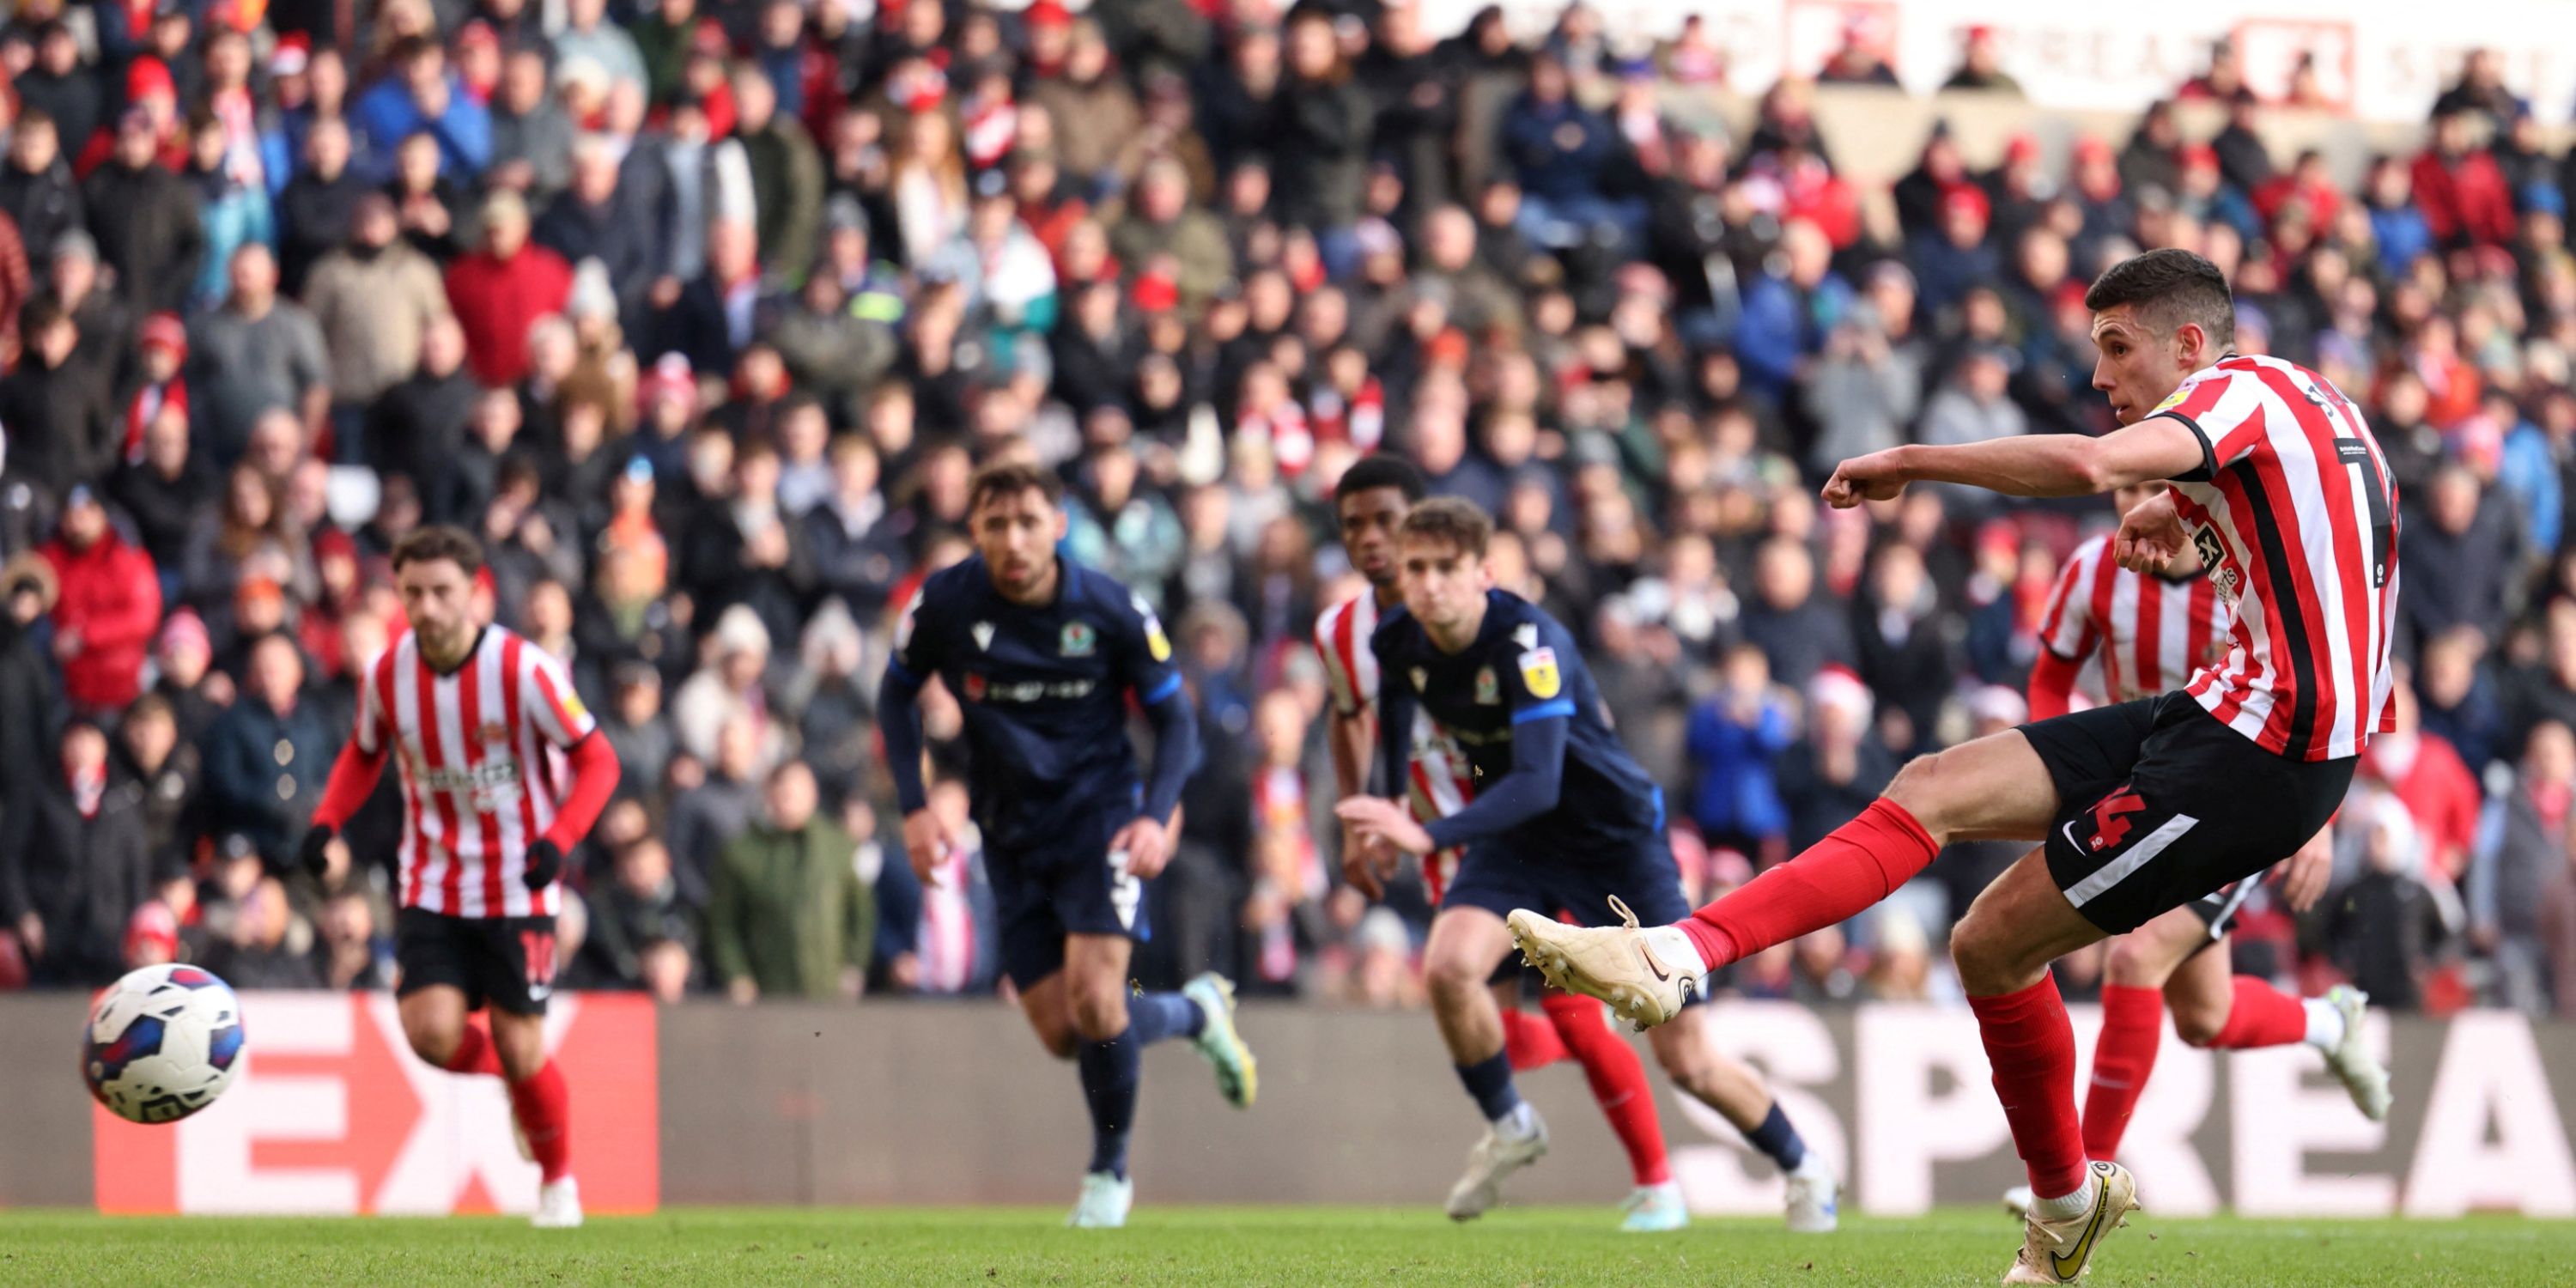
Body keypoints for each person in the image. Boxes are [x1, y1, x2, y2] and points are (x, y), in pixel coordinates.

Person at [1511, 249, 2399, 1284]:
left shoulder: (2234, 394)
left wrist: (1912, 461)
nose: (2104, 379)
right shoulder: (2310, 397)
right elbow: (2338, 544)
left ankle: (2067, 1204)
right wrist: (2186, 516)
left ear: (2190, 344)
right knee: (1932, 786)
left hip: (2259, 756)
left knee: (1990, 946)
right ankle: (1682, 953)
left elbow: (2083, 468)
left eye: (2118, 349)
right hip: (2221, 714)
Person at [1334, 496, 1839, 1233]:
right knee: (1446, 969)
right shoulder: (1396, 641)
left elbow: (1538, 779)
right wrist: (1382, 813)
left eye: (1447, 568)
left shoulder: (1530, 642)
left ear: (1485, 572)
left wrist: (1427, 833)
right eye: (1416, 569)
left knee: (1687, 1059)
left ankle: (1803, 1165)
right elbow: (1395, 733)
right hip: (1519, 842)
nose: (1430, 583)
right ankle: (1510, 1124)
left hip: (1614, 842)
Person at [876, 460, 1254, 1228]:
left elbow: (1175, 720)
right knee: (1062, 1031)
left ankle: (1107, 1176)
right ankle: (1194, 1015)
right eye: (994, 525)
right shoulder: (946, 602)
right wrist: (914, 808)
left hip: (1100, 818)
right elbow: (895, 693)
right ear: (974, 531)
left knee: (1097, 996)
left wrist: (1155, 812)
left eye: (1027, 522)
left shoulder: (1109, 607)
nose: (1012, 541)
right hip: (1009, 829)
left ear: (1058, 525)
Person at [1315, 456, 1687, 1231]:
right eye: (1355, 525)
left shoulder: (1506, 624)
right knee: (1488, 993)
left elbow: (1558, 732)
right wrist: (1367, 821)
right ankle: (1528, 1126)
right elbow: (1354, 719)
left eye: (1390, 521)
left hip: (1506, 822)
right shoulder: (1345, 631)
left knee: (1561, 1008)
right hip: (1446, 833)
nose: (1373, 539)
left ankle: (1655, 1177)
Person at [2004, 483, 2389, 1213]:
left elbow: (2328, 686)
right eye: (2126, 487)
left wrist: (2322, 819)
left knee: (2136, 956)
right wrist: (2060, 779)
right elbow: (2050, 682)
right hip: (2138, 794)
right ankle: (2329, 1021)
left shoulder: (2250, 575)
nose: (2140, 502)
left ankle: (2079, 1180)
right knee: (2203, 1017)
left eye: (2158, 485)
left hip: (2239, 795)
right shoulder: (2091, 570)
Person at [296, 526, 621, 1229]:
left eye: (443, 591)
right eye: (412, 592)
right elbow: (362, 755)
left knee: (521, 1041)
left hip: (518, 883)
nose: (428, 607)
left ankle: (558, 1182)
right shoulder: (387, 675)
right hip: (432, 881)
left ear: (475, 593)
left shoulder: (523, 670)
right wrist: (327, 822)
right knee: (431, 1033)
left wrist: (559, 840)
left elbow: (600, 761)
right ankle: (517, 1086)